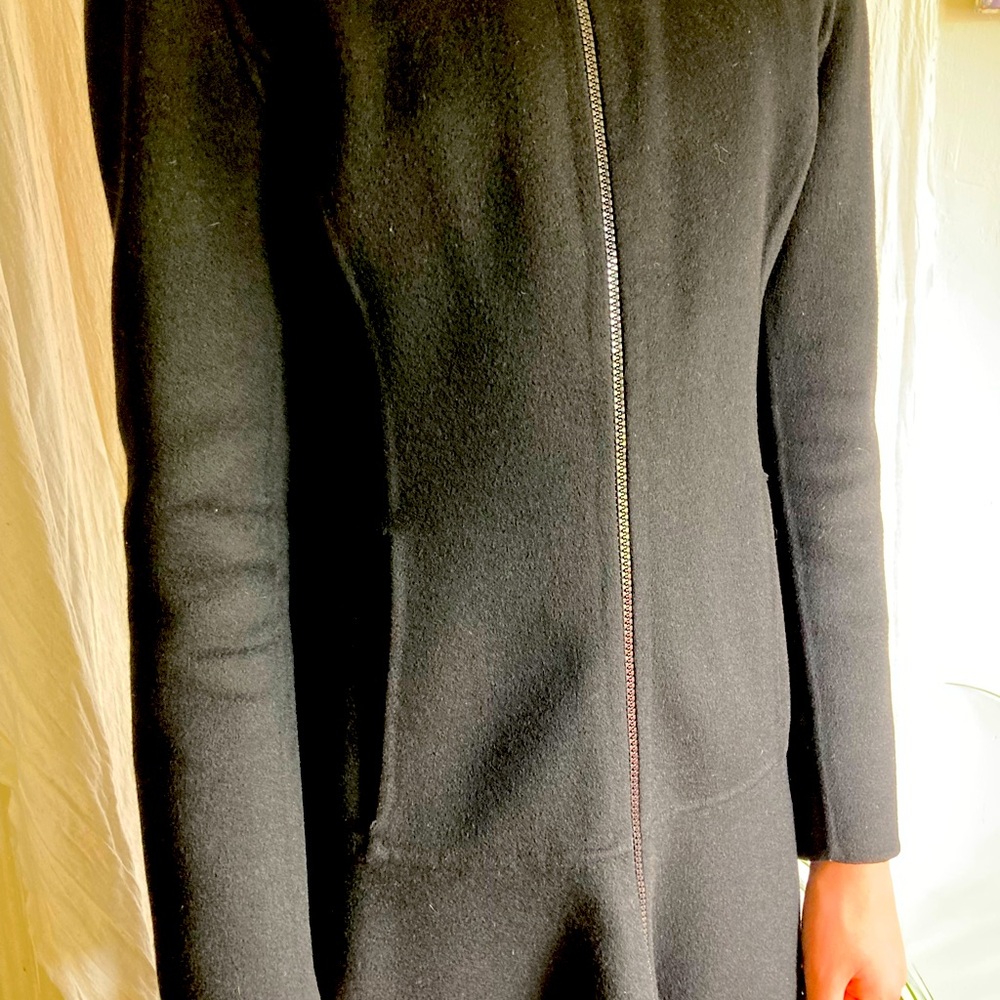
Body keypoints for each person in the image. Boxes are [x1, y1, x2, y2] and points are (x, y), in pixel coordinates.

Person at [85, 0, 907, 996]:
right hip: (408, 914)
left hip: (730, 880)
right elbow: (210, 527)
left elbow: (819, 412)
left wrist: (855, 847)